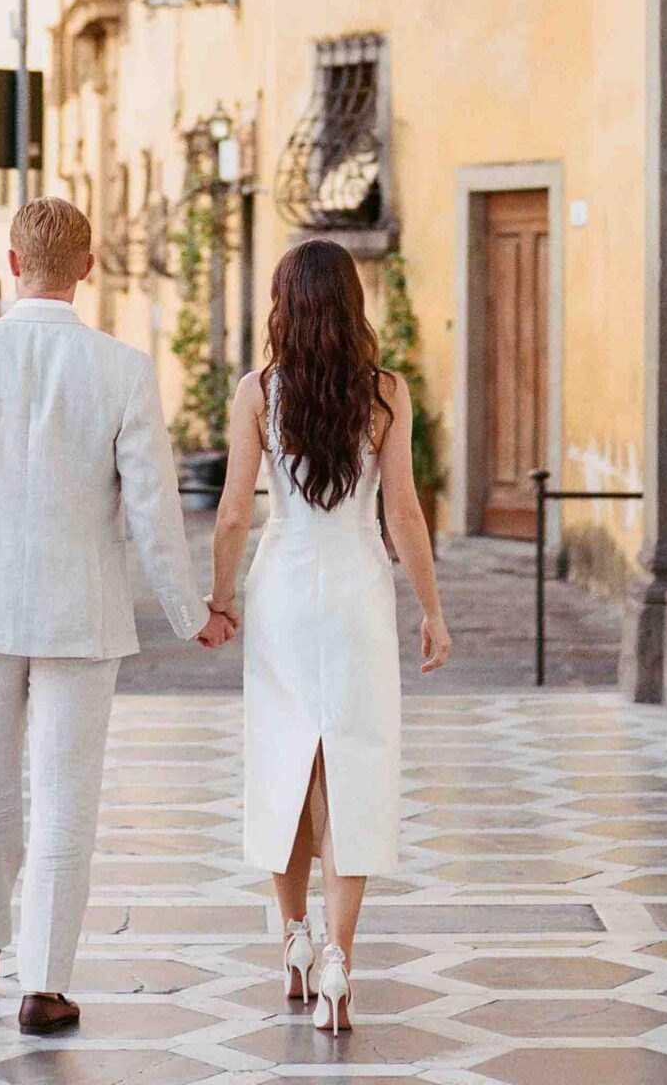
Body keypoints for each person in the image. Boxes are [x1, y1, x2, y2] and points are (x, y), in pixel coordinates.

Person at [0, 194, 218, 1037]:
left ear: (9, 264)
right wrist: (191, 613)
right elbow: (151, 507)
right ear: (88, 267)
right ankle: (45, 984)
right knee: (67, 796)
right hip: (82, 607)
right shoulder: (121, 368)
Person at [207, 237, 451, 1034]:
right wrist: (432, 609)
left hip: (281, 589)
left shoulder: (257, 391)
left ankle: (293, 944)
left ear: (284, 304)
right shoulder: (384, 394)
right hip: (354, 589)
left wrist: (220, 599)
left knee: (282, 758)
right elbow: (403, 513)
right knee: (353, 762)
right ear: (352, 304)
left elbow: (236, 511)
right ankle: (340, 964)